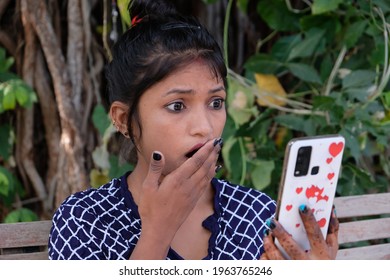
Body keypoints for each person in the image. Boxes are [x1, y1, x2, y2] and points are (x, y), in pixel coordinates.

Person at [48, 0, 339, 260]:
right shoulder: (86, 220)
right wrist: (157, 233)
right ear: (123, 119)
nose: (204, 127)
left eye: (216, 102)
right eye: (177, 106)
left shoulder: (256, 215)